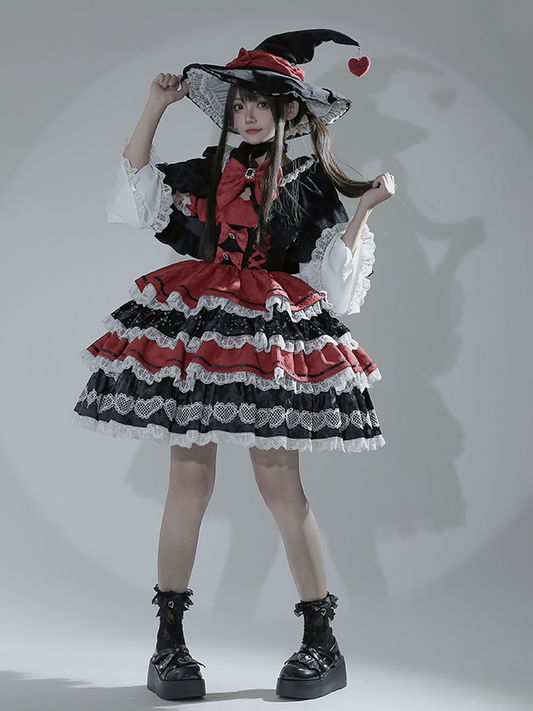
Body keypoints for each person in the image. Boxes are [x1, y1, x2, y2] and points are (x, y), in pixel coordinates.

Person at [73, 29, 395, 701]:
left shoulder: (307, 183)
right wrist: (154, 106)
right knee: (188, 478)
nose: (246, 115)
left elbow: (336, 289)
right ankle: (169, 642)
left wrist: (363, 211)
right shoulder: (206, 171)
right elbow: (135, 196)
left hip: (267, 332)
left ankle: (321, 641)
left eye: (259, 104)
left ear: (288, 110)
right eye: (238, 104)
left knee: (280, 482)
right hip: (204, 326)